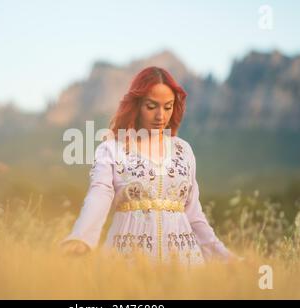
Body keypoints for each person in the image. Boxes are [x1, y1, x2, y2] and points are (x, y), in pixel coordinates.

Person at [60, 66, 235, 265]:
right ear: (137, 105)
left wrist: (227, 259)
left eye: (168, 107)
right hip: (127, 261)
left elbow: (194, 215)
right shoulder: (112, 148)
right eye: (152, 107)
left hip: (185, 263)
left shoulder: (183, 150)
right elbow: (100, 193)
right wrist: (81, 237)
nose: (161, 116)